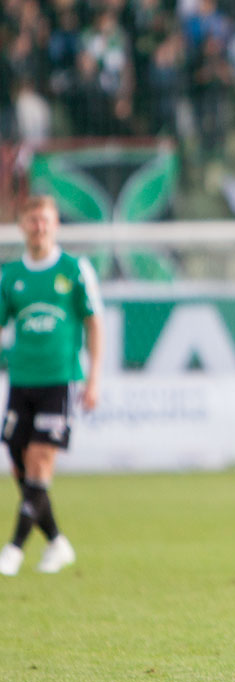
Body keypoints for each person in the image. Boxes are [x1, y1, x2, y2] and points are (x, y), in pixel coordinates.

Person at [0, 195, 103, 577]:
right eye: (32, 220)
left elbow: (94, 322)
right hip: (21, 379)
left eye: (45, 220)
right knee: (20, 464)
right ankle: (57, 542)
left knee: (41, 460)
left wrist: (93, 378)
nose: (39, 227)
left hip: (59, 379)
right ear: (22, 226)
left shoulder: (75, 270)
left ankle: (13, 549)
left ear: (56, 224)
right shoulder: (10, 275)